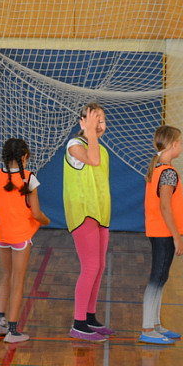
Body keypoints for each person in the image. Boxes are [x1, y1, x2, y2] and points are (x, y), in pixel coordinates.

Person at [0, 138, 49, 345]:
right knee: (18, 281)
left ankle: (0, 321)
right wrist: (46, 221)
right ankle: (12, 330)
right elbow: (36, 213)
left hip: (2, 235)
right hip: (21, 236)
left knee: (6, 276)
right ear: (24, 156)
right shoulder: (29, 178)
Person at [64, 103, 113, 341]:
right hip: (83, 213)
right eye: (94, 120)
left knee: (100, 266)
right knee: (90, 266)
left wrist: (92, 133)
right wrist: (90, 132)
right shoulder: (74, 145)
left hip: (100, 213)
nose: (99, 125)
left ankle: (90, 317)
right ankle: (78, 323)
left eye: (102, 120)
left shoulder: (101, 149)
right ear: (83, 122)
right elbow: (92, 160)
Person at [140, 125, 183, 346]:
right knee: (156, 279)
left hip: (158, 230)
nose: (182, 147)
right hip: (163, 232)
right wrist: (177, 236)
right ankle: (147, 328)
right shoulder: (167, 172)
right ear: (174, 144)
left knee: (161, 278)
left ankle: (155, 324)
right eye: (181, 143)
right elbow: (165, 207)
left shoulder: (159, 168)